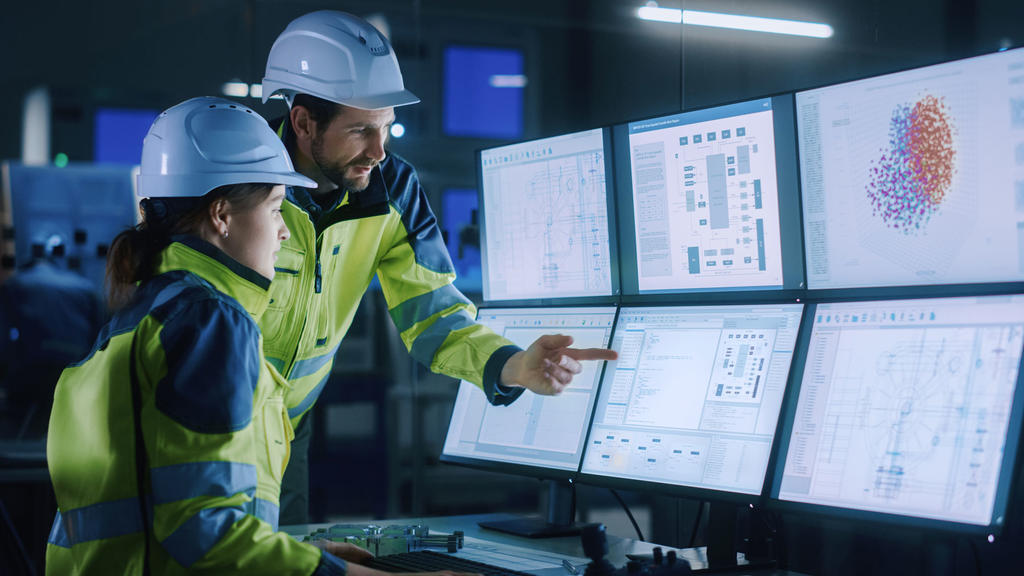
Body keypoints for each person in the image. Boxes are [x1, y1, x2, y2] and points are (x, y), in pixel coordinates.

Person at [45, 96, 437, 575]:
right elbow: (204, 529)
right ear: (222, 215)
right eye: (275, 208)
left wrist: (305, 557)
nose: (284, 232)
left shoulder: (142, 314)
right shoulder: (211, 322)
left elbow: (165, 513)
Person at [259, 10, 618, 524]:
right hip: (206, 425)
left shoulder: (393, 190)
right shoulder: (241, 184)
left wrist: (511, 366)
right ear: (303, 123)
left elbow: (434, 315)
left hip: (287, 429)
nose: (379, 151)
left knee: (282, 555)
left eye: (385, 129)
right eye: (361, 130)